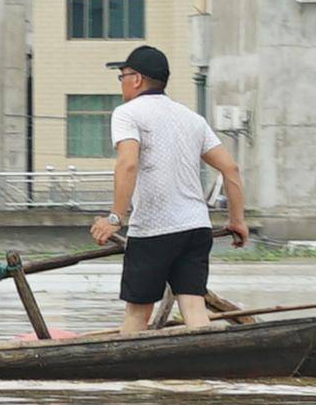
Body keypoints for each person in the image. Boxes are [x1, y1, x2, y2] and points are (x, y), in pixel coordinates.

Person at [86, 44, 246, 329]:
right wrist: (237, 221)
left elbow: (127, 164)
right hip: (196, 229)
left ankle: (125, 369)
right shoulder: (192, 119)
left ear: (137, 79)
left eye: (122, 76)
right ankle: (203, 369)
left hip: (154, 229)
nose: (121, 82)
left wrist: (114, 218)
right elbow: (230, 169)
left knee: (137, 312)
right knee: (194, 307)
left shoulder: (127, 113)